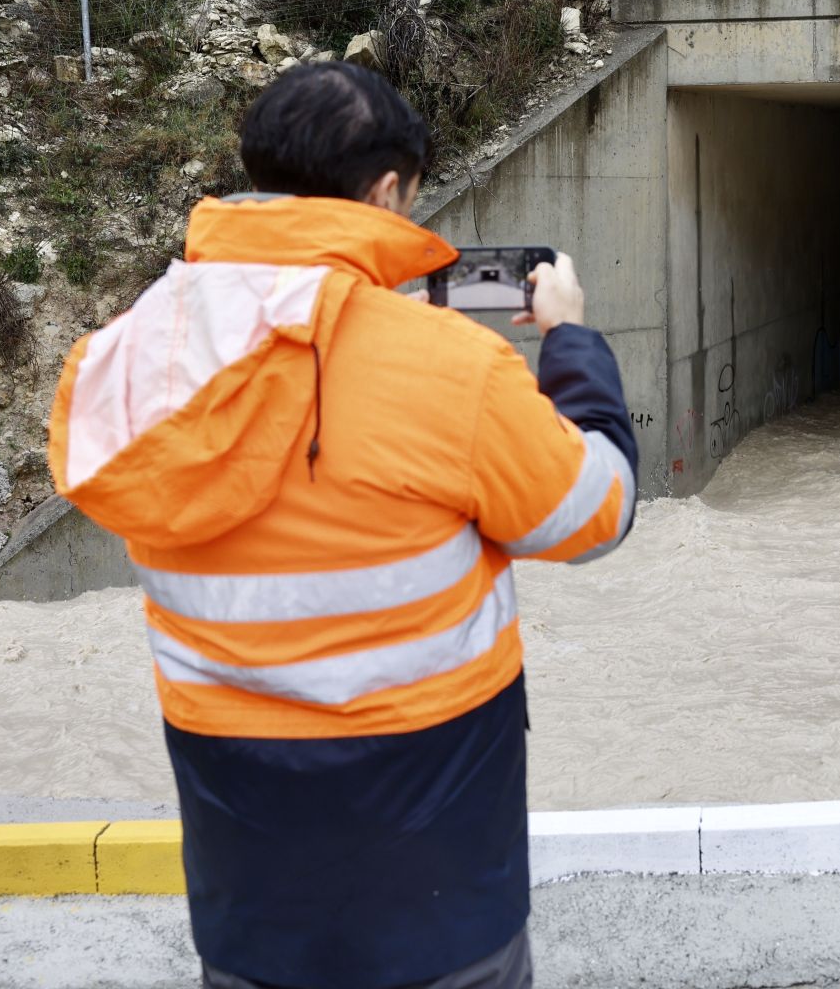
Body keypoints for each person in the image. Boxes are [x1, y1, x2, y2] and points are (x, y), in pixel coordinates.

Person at [46, 62, 636, 989]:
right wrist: (571, 346)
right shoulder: (452, 366)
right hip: (438, 870)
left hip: (246, 878)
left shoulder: (124, 359)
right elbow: (594, 513)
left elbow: (268, 379)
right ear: (389, 190)